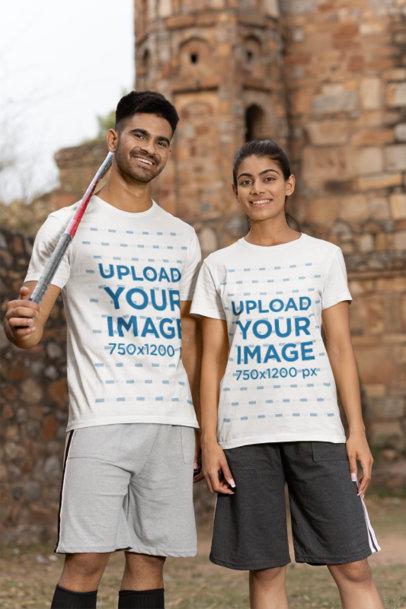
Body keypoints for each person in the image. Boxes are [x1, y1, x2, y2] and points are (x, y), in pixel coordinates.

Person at [4, 91, 203, 609]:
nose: (150, 149)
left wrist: (204, 424)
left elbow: (187, 341)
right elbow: (30, 331)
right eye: (140, 135)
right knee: (87, 559)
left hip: (171, 419)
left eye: (162, 142)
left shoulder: (182, 237)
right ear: (115, 139)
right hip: (100, 417)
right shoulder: (64, 227)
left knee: (147, 562)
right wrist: (17, 323)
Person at [190, 139, 384, 609]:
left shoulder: (323, 256)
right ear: (237, 191)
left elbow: (339, 347)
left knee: (352, 564)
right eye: (246, 180)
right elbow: (211, 360)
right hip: (245, 434)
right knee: (267, 568)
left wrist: (355, 431)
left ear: (289, 185)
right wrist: (210, 440)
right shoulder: (218, 266)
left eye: (269, 178)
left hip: (317, 427)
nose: (258, 189)